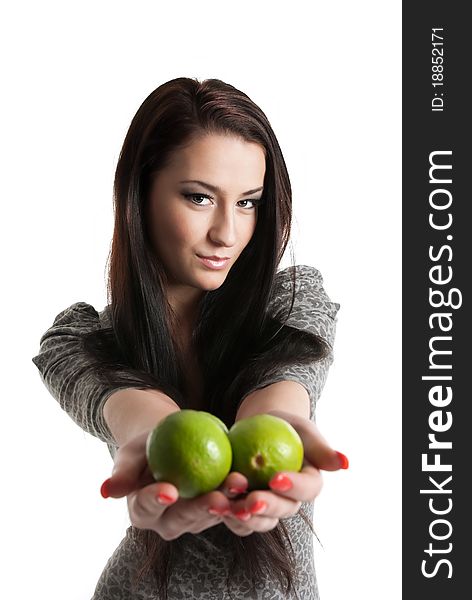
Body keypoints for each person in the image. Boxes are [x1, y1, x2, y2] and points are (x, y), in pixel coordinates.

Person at [32, 77, 347, 600]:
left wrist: (277, 428)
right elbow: (138, 412)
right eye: (200, 197)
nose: (227, 232)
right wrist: (159, 441)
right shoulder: (80, 340)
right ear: (139, 194)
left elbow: (281, 390)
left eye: (248, 202)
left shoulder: (292, 299)